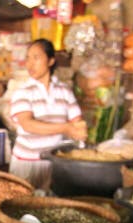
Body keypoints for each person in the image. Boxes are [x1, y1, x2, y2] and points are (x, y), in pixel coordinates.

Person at [9, 39, 88, 192]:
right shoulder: (23, 91)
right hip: (26, 164)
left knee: (48, 207)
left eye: (36, 58)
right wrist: (66, 128)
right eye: (28, 58)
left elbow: (77, 123)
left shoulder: (64, 91)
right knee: (20, 207)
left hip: (54, 164)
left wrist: (80, 131)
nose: (30, 64)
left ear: (50, 61)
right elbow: (28, 124)